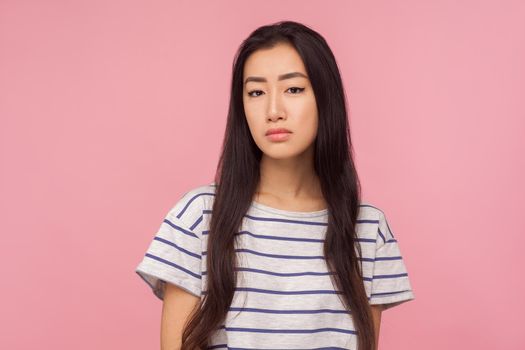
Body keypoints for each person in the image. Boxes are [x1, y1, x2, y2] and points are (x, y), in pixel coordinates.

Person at [135, 20, 415, 350]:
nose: (273, 110)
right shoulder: (199, 218)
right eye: (256, 92)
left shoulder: (368, 230)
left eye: (293, 89)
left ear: (326, 98)